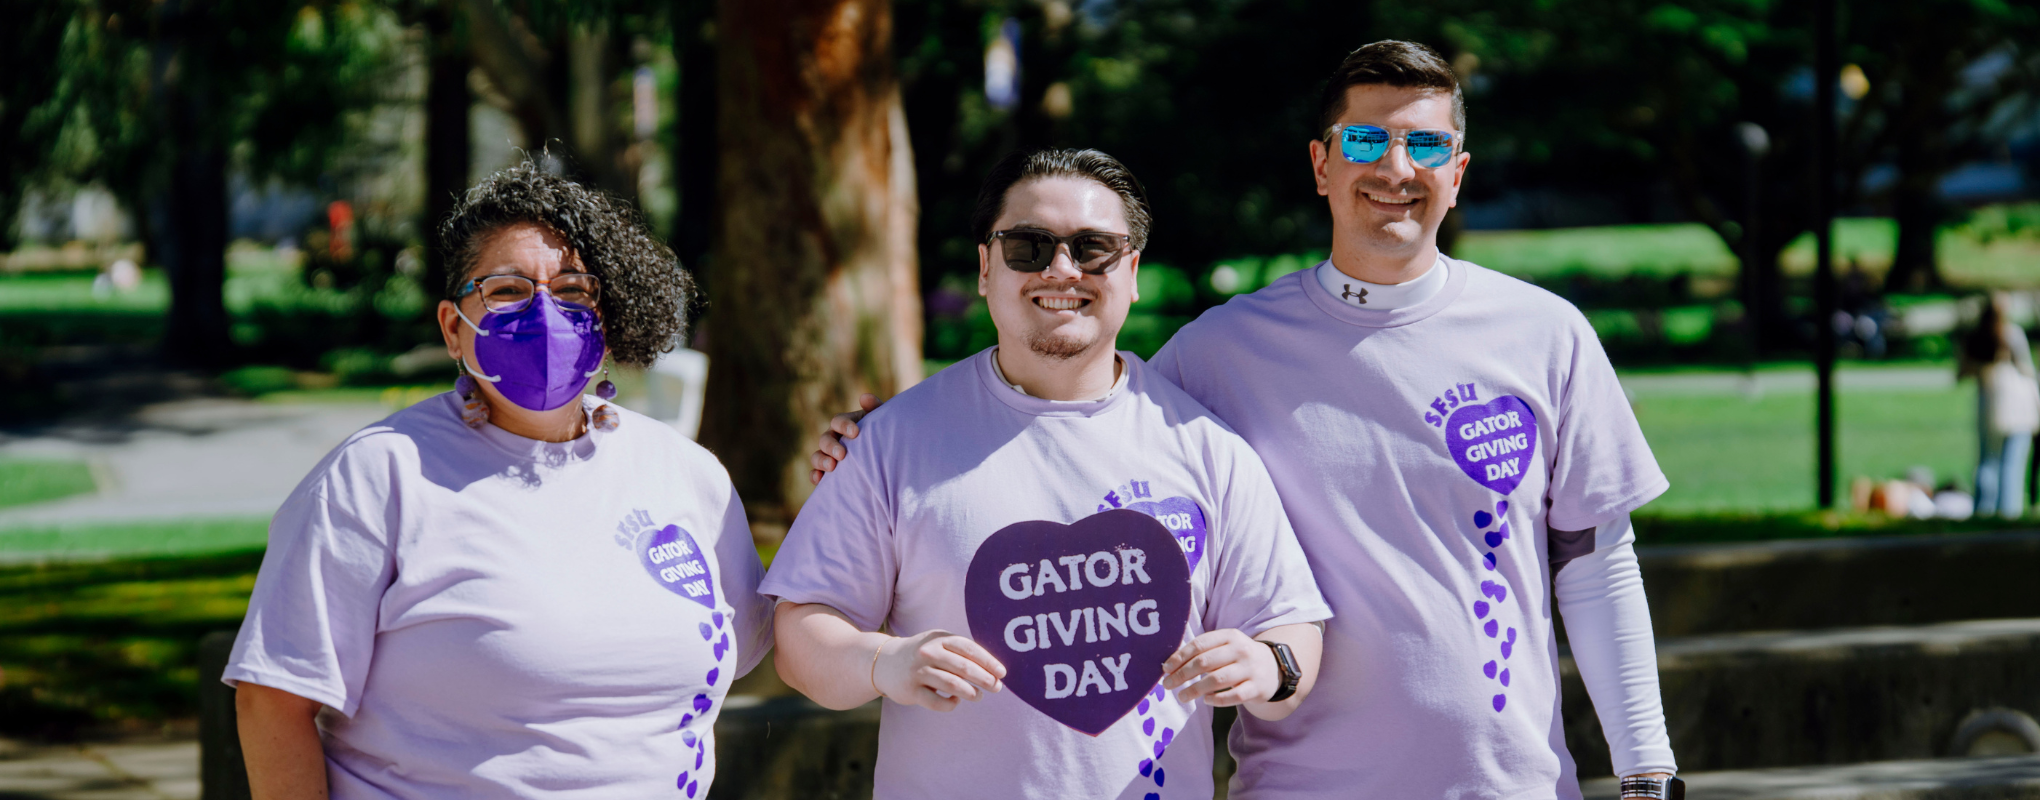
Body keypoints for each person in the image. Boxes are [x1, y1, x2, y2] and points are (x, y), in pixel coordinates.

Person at [813, 42, 1681, 799]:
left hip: (1514, 783)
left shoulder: (1547, 333)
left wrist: (1646, 769)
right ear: (1321, 164)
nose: (1395, 167)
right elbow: (1073, 414)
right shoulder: (1220, 352)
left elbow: (1598, 564)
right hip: (1299, 786)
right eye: (1367, 139)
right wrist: (890, 435)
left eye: (1426, 143)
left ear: (1459, 171)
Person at [765, 149, 1331, 799]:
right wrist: (882, 661)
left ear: (1134, 271)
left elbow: (1291, 631)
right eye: (1029, 246)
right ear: (985, 267)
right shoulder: (891, 442)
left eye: (1094, 248)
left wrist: (1267, 665)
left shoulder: (1208, 448)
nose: (1062, 269)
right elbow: (801, 635)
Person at [226, 162, 770, 799]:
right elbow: (273, 702)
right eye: (508, 290)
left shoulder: (684, 473)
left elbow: (770, 638)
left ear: (608, 312)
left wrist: (856, 466)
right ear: (454, 328)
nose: (546, 311)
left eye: (572, 289)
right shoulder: (379, 476)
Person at [1959, 291, 2038, 518]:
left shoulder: (1975, 338)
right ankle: (2008, 512)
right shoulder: (2012, 334)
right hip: (2017, 407)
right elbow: (2027, 370)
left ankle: (1982, 511)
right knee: (2011, 464)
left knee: (1987, 461)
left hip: (1989, 404)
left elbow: (1962, 371)